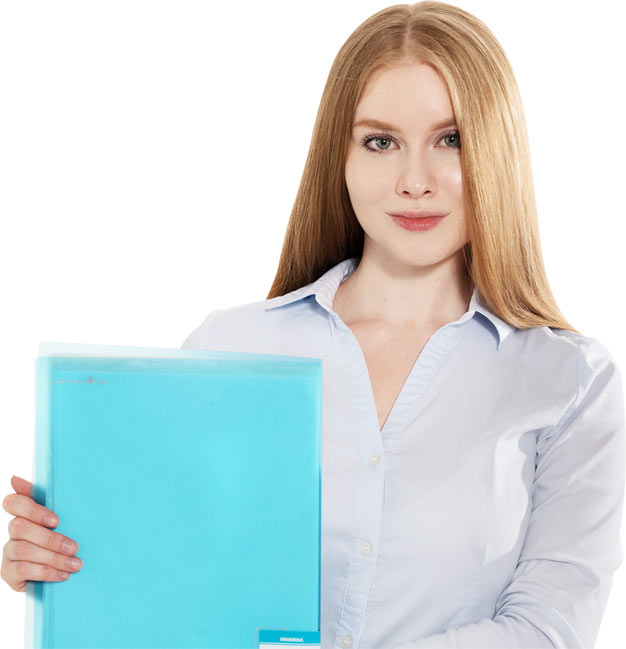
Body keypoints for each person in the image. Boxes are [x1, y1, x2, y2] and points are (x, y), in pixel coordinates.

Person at [2, 1, 624, 647]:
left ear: (498, 151)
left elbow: (549, 629)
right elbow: (168, 579)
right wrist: (62, 562)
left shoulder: (570, 379)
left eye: (452, 139)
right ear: (341, 157)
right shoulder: (231, 348)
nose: (414, 181)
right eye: (380, 142)